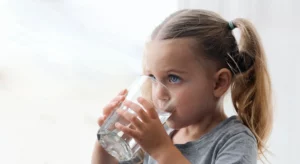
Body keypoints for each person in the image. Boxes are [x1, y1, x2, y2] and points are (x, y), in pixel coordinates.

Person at [92, 9, 273, 164]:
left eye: (173, 78)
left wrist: (162, 150)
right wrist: (106, 142)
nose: (159, 93)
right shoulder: (159, 132)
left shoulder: (235, 141)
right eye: (152, 77)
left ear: (219, 83)